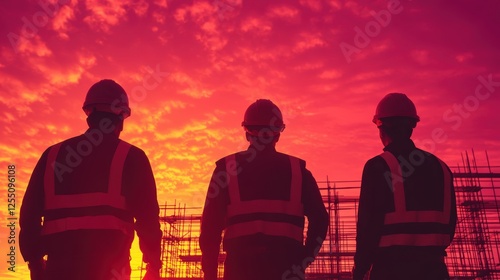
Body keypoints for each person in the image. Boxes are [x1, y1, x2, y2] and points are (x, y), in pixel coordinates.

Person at [20, 79, 162, 280]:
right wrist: (153, 264)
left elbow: (29, 215)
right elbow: (148, 219)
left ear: (89, 114)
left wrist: (35, 262)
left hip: (58, 272)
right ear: (120, 118)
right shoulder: (132, 157)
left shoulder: (52, 155)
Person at [199, 99, 329, 280]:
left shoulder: (227, 169)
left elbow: (210, 229)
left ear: (247, 133)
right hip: (287, 269)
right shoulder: (298, 172)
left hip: (241, 271)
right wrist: (305, 259)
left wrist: (210, 274)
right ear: (278, 134)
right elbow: (320, 220)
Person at [353, 93, 457, 280]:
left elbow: (368, 227)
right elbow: (449, 227)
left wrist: (360, 269)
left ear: (381, 127)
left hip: (391, 270)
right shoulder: (441, 168)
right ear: (412, 126)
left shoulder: (378, 167)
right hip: (435, 271)